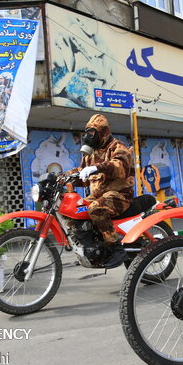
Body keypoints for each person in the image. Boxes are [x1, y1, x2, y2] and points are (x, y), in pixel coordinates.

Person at [72, 114, 135, 267]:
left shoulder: (117, 147)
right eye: (87, 132)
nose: (88, 136)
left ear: (103, 132)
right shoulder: (90, 154)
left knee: (96, 208)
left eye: (92, 133)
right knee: (76, 209)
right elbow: (83, 175)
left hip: (119, 195)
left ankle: (116, 248)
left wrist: (97, 167)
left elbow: (120, 167)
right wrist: (65, 177)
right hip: (98, 195)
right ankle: (91, 247)